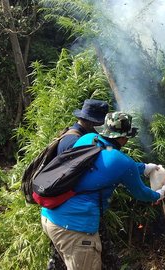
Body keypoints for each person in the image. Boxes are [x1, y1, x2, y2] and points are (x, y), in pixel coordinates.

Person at [41, 112, 165, 270]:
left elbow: (104, 165)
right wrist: (158, 194)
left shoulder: (88, 139)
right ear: (122, 138)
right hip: (75, 228)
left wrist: (143, 168)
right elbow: (140, 192)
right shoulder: (122, 162)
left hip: (50, 215)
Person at [48, 99, 109, 270]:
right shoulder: (76, 142)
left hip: (60, 213)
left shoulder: (70, 134)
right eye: (98, 123)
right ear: (91, 122)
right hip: (71, 216)